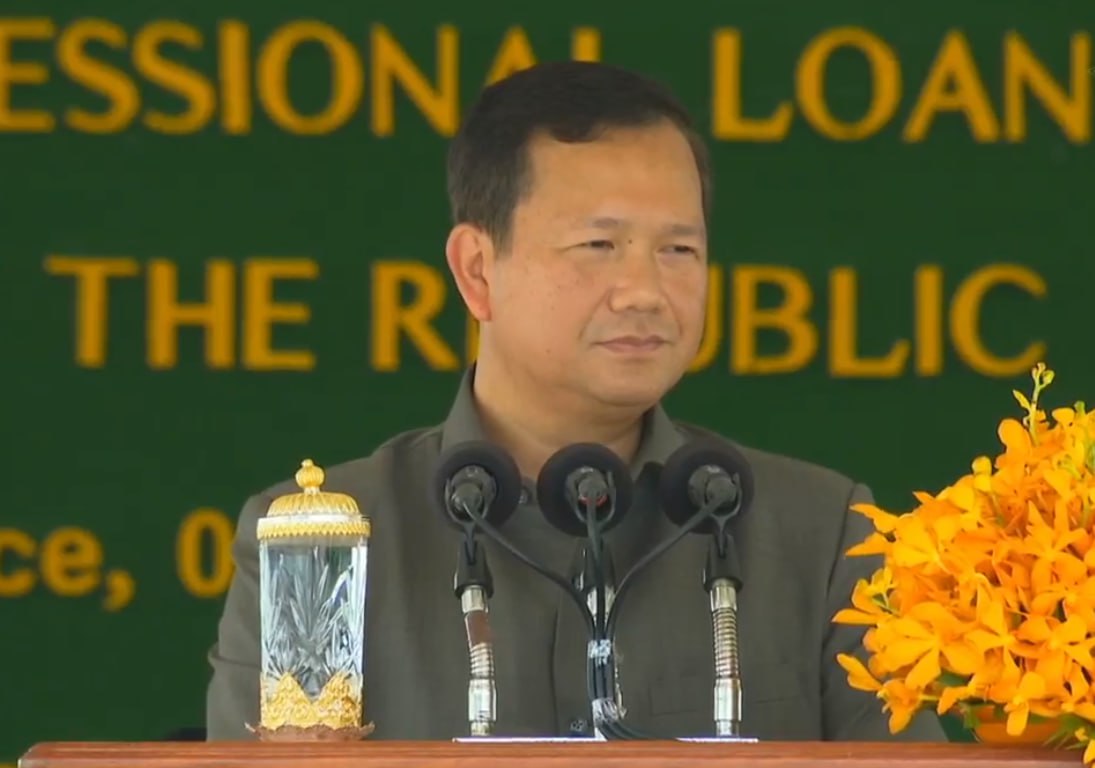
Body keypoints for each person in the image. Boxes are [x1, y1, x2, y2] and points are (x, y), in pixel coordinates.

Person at [205, 60, 946, 743]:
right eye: (598, 246)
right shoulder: (321, 546)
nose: (645, 291)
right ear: (476, 270)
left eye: (679, 250)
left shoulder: (821, 536)